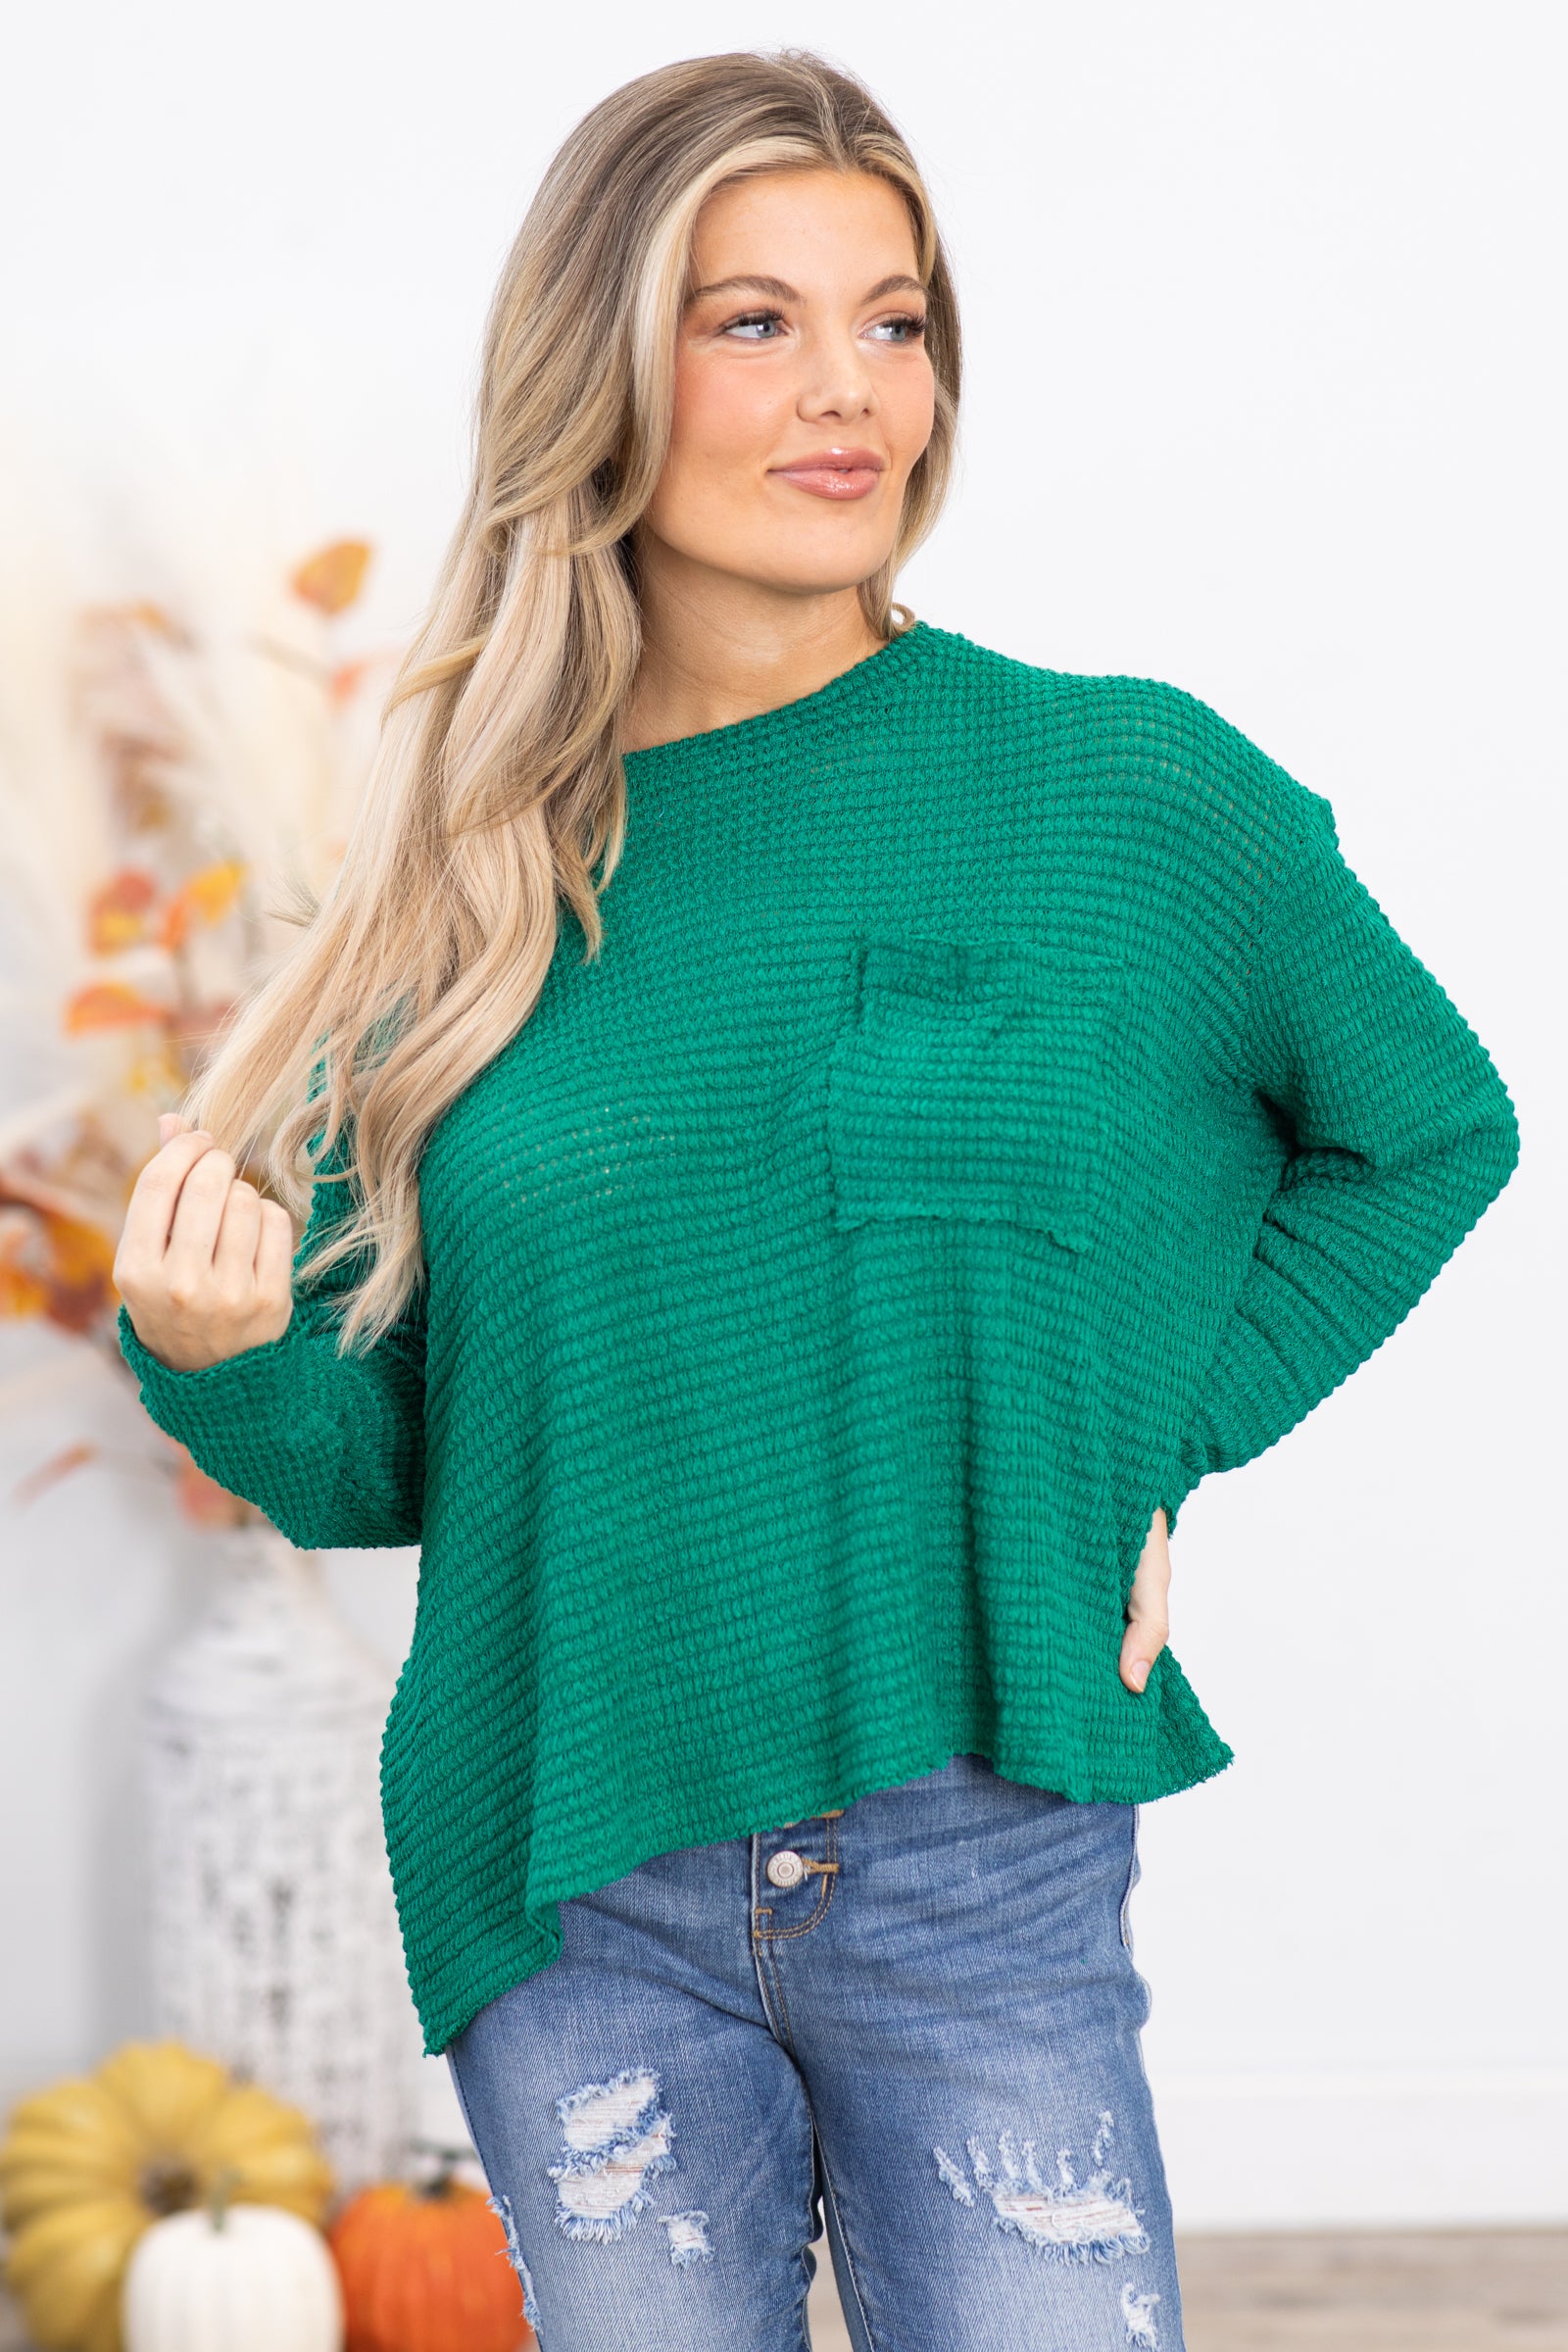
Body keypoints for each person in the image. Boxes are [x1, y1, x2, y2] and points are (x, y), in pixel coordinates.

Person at [112, 47, 1520, 2352]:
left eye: (893, 319)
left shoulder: (1120, 792)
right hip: (573, 1875)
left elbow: (1423, 1130)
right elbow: (408, 1465)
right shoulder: (466, 893)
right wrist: (217, 1357)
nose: (848, 387)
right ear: (601, 372)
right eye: (752, 322)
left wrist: (1139, 1444)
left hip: (975, 1848)